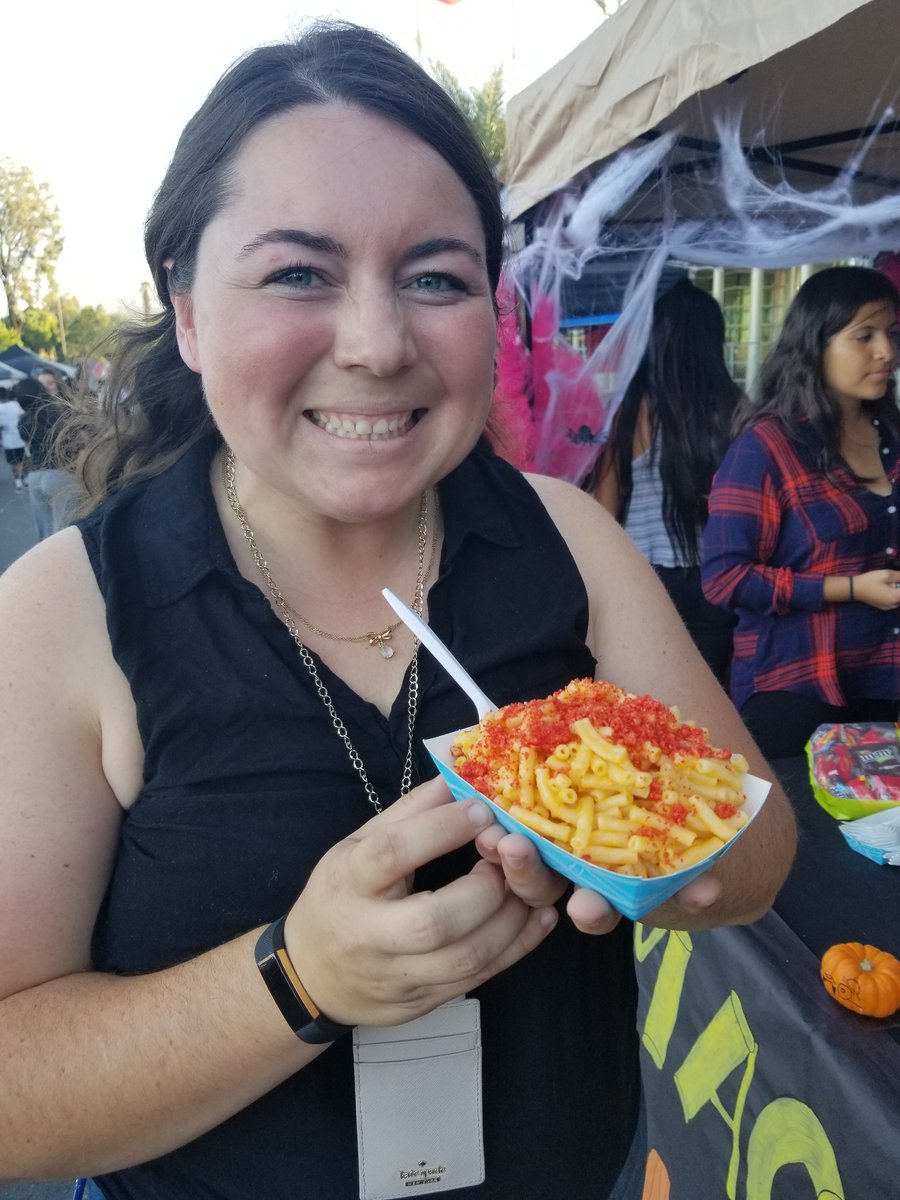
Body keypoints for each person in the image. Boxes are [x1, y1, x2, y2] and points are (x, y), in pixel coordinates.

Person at [0, 22, 795, 1200]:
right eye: (297, 273)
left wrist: (664, 861)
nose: (377, 346)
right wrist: (296, 978)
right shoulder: (63, 612)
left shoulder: (566, 538)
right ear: (188, 308)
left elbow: (760, 848)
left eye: (435, 276)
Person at [702, 265, 900, 761]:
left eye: (892, 335)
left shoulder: (892, 437)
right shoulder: (767, 448)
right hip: (796, 686)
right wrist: (850, 588)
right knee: (807, 834)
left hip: (885, 675)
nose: (886, 353)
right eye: (865, 336)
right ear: (816, 344)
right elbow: (725, 579)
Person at [594, 278, 741, 683]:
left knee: (652, 698)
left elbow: (602, 512)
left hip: (647, 578)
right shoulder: (736, 412)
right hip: (717, 576)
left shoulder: (635, 412)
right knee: (708, 692)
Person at [16, 370, 74, 540]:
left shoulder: (22, 421)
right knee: (63, 529)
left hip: (35, 476)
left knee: (45, 532)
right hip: (58, 473)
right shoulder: (55, 413)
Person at [0, 385, 28, 491]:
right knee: (23, 460)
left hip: (8, 441)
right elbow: (23, 416)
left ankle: (18, 483)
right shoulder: (15, 405)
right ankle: (24, 478)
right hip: (20, 438)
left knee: (13, 462)